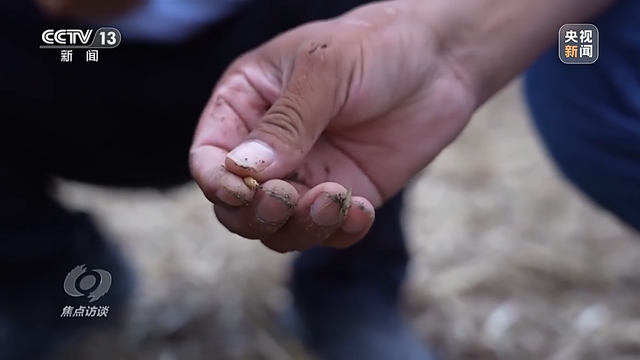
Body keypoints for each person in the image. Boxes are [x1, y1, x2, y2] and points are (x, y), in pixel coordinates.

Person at [1, 0, 637, 359]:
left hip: (290, 54)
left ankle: (350, 289)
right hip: (64, 61)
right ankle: (45, 276)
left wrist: (448, 52)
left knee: (356, 34)